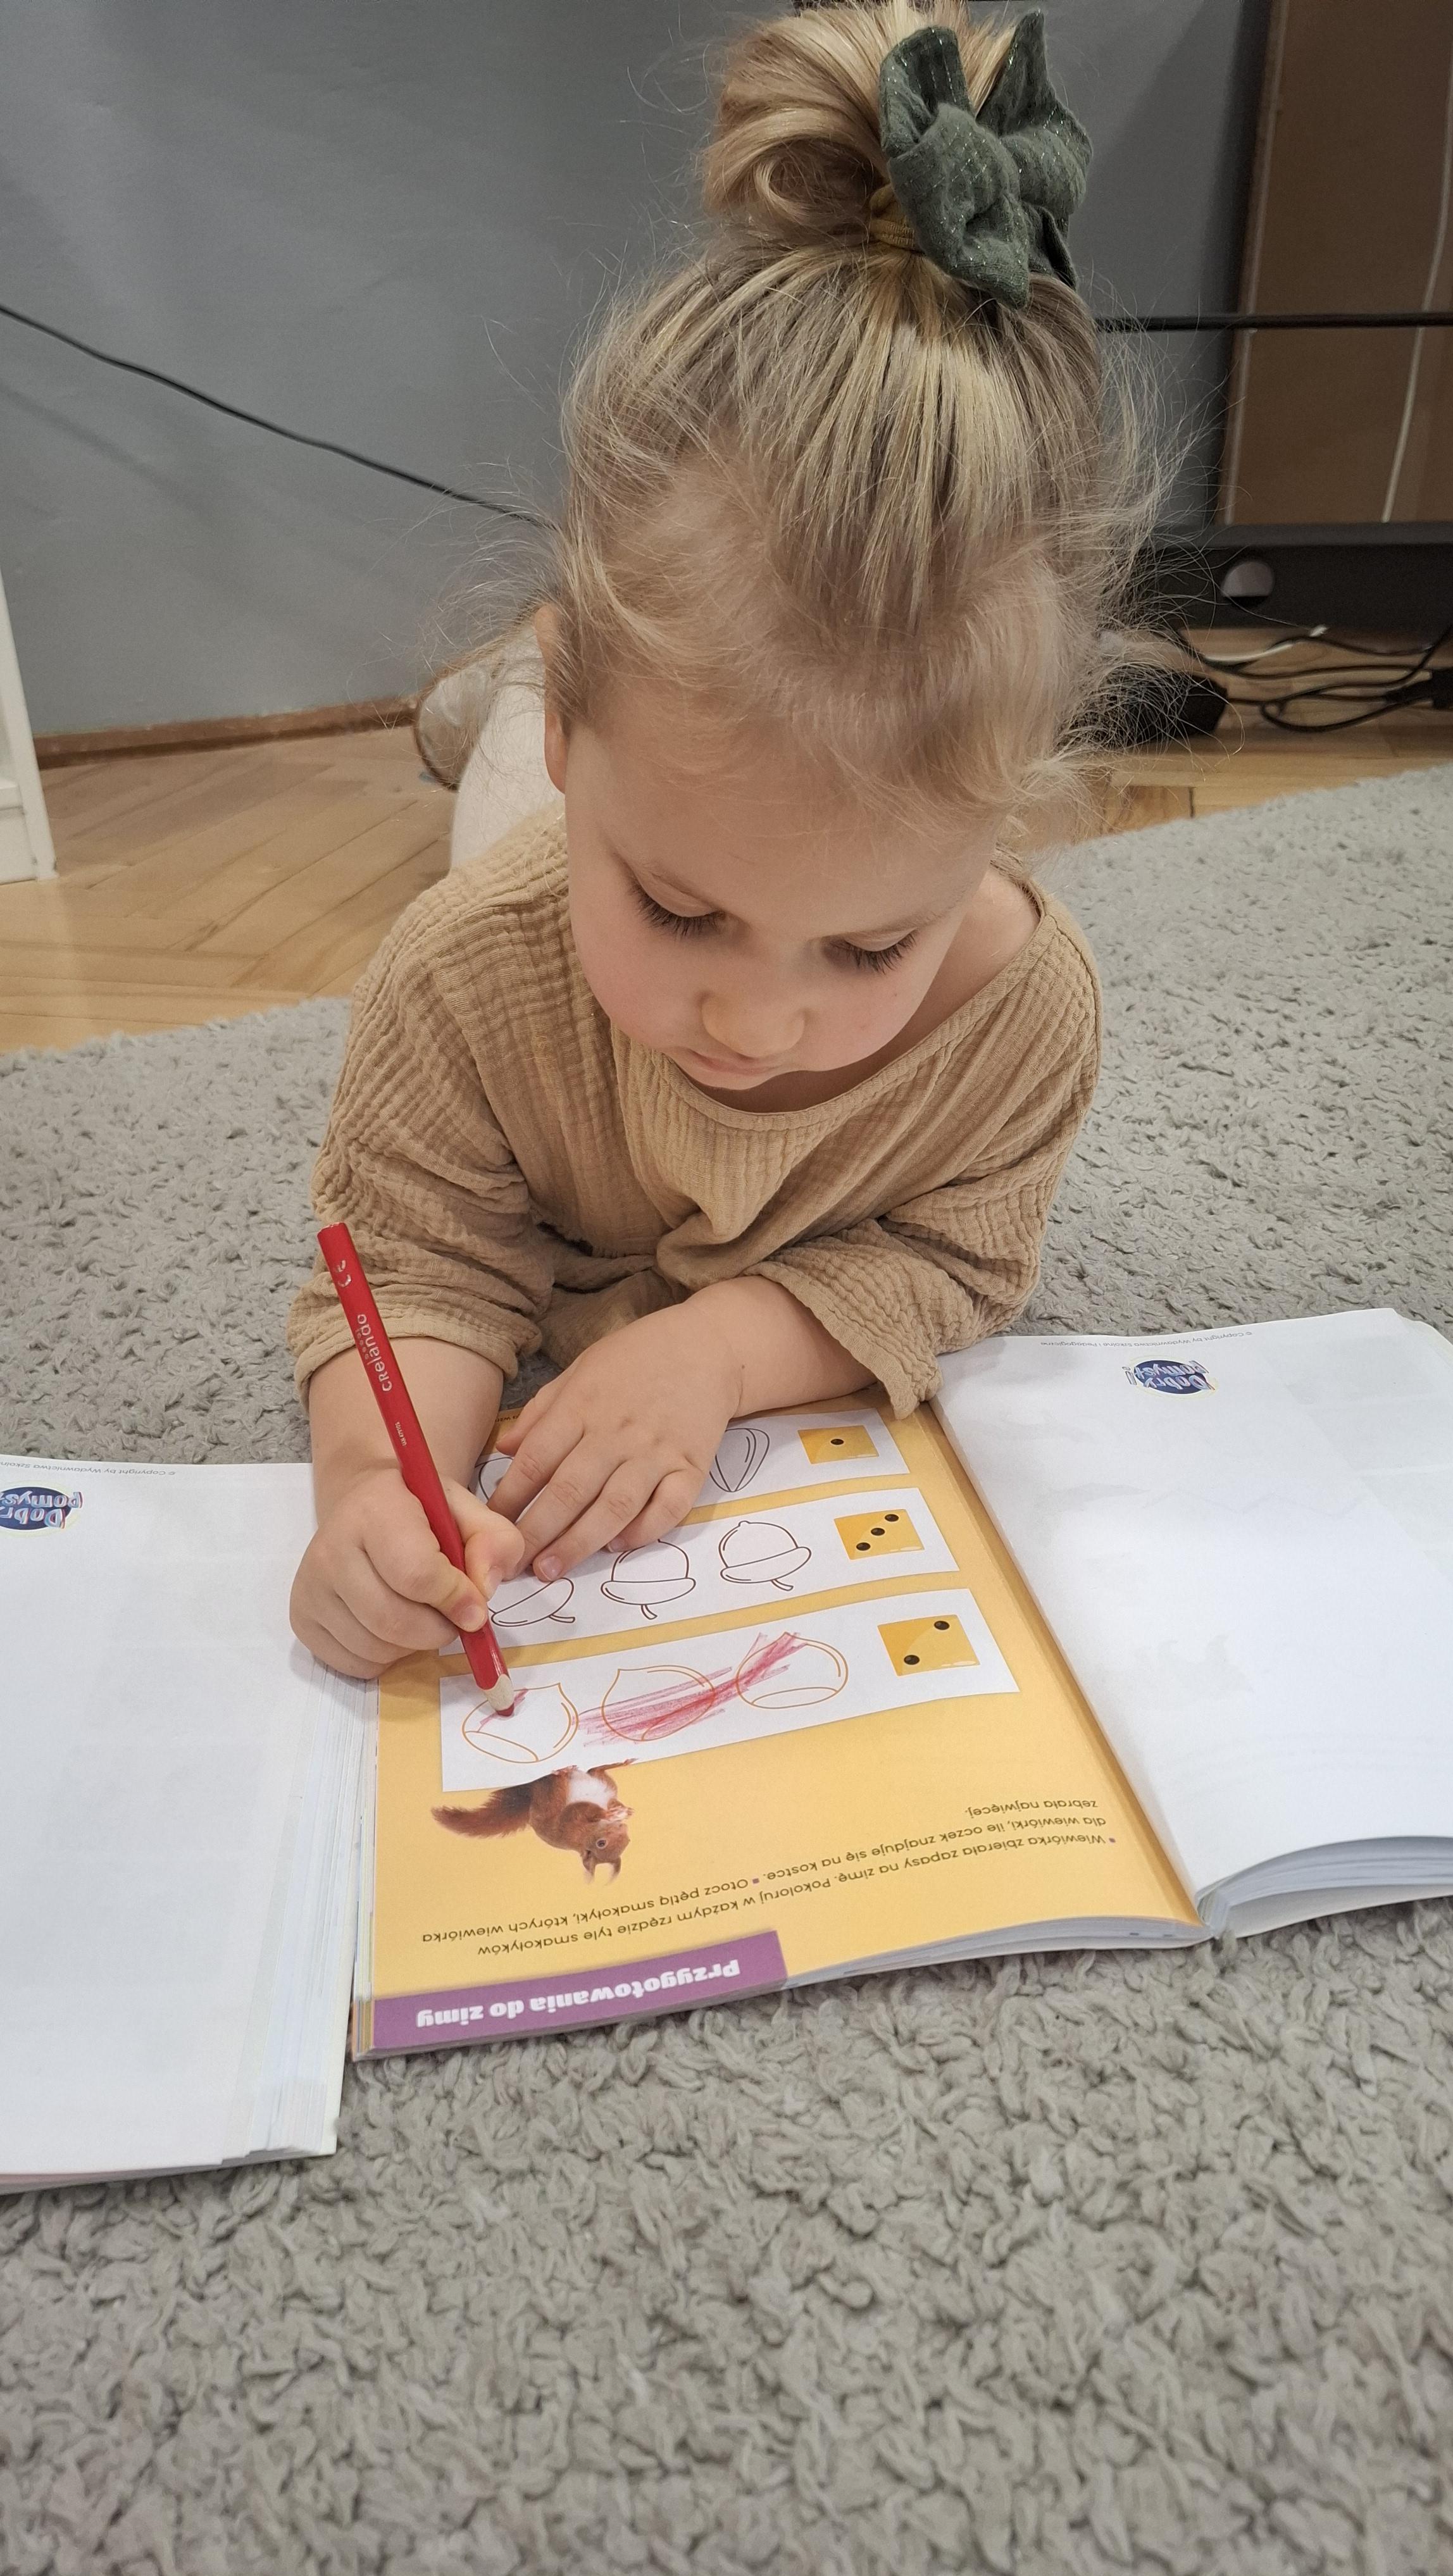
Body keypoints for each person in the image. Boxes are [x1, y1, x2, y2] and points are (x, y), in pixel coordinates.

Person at [287, 1, 1162, 1681]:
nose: (756, 1021)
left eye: (871, 943)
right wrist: (372, 1498)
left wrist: (722, 1350)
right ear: (581, 729)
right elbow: (415, 1260)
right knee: (491, 807)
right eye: (682, 912)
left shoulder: (1025, 1020)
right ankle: (493, 717)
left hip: (594, 734)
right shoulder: (464, 976)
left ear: (1006, 820)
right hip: (545, 762)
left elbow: (950, 1264)